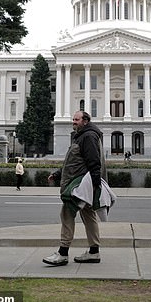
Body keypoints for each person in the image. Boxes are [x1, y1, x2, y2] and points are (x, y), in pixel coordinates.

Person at [43, 110, 107, 266]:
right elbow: (73, 162)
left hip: (79, 185)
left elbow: (93, 161)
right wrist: (57, 174)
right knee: (88, 215)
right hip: (82, 184)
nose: (73, 122)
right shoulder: (82, 136)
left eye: (76, 119)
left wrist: (95, 184)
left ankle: (63, 253)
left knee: (66, 213)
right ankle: (93, 252)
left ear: (85, 121)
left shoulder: (88, 136)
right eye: (73, 119)